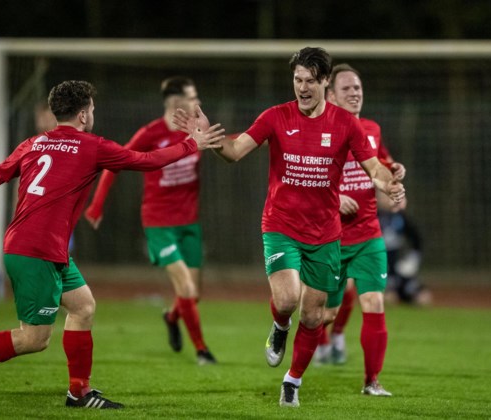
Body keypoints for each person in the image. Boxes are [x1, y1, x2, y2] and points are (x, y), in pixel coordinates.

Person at [0, 80, 224, 409]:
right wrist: (192, 144)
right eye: (93, 109)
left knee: (83, 307)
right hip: (35, 251)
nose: (93, 114)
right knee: (34, 338)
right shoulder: (91, 145)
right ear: (84, 115)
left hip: (40, 246)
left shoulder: (34, 143)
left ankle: (79, 392)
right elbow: (147, 160)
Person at [174, 47, 405, 407]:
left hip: (326, 234)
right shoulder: (276, 117)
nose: (302, 87)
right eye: (297, 80)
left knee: (314, 316)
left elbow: (374, 167)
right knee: (285, 299)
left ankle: (292, 381)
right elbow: (235, 152)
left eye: (310, 81)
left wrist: (387, 181)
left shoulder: (346, 124)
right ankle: (280, 326)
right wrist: (211, 140)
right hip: (281, 225)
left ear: (324, 82)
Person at [84, 76, 217, 365]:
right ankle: (202, 350)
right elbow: (115, 164)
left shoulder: (196, 129)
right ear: (174, 102)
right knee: (186, 288)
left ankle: (171, 316)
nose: (198, 102)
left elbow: (226, 142)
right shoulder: (151, 133)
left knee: (193, 296)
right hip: (159, 224)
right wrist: (96, 204)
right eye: (192, 96)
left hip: (189, 223)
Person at [314, 63, 407, 397]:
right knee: (323, 312)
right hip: (330, 237)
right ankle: (286, 327)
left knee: (373, 301)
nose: (355, 94)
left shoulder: (371, 128)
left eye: (358, 88)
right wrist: (334, 196)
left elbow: (380, 164)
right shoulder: (319, 130)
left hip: (368, 234)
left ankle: (372, 381)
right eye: (347, 89)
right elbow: (302, 177)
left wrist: (393, 172)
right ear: (331, 95)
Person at [379, 208, 431, 305]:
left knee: (423, 298)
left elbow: (417, 240)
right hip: (384, 272)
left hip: (401, 270)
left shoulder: (401, 218)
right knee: (389, 298)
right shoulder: (374, 217)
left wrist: (412, 260)